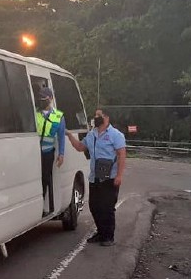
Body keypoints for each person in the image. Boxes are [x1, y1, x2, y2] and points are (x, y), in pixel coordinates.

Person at [66, 109, 126, 246]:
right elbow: (81, 147)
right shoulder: (92, 134)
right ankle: (100, 233)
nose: (96, 117)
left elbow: (122, 155)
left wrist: (119, 175)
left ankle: (108, 237)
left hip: (110, 177)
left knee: (107, 208)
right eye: (95, 115)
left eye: (99, 115)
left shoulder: (115, 135)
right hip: (95, 177)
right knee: (94, 206)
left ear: (106, 117)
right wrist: (70, 136)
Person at [36, 87, 65, 217]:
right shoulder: (35, 114)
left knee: (45, 179)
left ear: (51, 98)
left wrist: (61, 154)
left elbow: (61, 136)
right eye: (41, 98)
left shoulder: (58, 116)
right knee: (35, 179)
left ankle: (41, 207)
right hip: (33, 152)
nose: (43, 100)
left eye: (45, 98)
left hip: (47, 152)